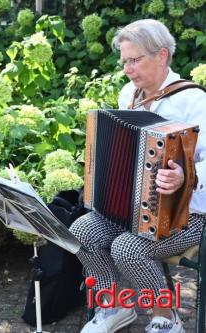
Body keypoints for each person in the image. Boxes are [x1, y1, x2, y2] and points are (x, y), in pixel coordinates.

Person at [70, 19, 205, 333]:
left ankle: (167, 317)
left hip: (188, 215)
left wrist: (186, 178)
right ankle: (115, 305)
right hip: (131, 208)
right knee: (80, 231)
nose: (127, 69)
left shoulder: (194, 101)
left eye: (134, 60)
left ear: (161, 56)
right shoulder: (128, 94)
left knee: (127, 248)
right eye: (124, 61)